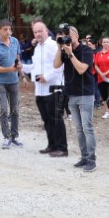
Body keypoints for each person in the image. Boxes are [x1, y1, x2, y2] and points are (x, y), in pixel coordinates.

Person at [54, 24, 97, 172]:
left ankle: (92, 160)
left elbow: (81, 69)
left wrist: (70, 53)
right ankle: (84, 157)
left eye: (69, 34)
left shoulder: (86, 50)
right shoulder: (65, 49)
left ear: (77, 36)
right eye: (64, 34)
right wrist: (60, 48)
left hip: (85, 94)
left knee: (87, 127)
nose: (67, 36)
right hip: (71, 94)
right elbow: (56, 65)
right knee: (79, 129)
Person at [22, 19, 67, 157]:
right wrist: (22, 67)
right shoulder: (38, 48)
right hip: (40, 90)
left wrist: (46, 77)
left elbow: (60, 66)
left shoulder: (54, 46)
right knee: (47, 119)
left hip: (53, 88)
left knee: (56, 118)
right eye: (35, 32)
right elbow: (35, 68)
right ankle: (52, 144)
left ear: (46, 30)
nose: (38, 34)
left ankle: (62, 148)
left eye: (40, 31)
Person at [0, 18, 22, 148]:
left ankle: (14, 136)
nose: (8, 32)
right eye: (5, 29)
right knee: (3, 110)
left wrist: (22, 75)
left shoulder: (15, 42)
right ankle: (6, 137)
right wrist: (10, 69)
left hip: (14, 81)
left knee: (15, 110)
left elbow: (18, 60)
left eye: (9, 29)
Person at [94, 36, 109, 119]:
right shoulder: (98, 54)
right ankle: (106, 112)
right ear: (101, 43)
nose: (105, 43)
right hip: (101, 77)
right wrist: (101, 73)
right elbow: (96, 65)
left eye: (107, 42)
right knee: (104, 95)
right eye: (104, 42)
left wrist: (105, 73)